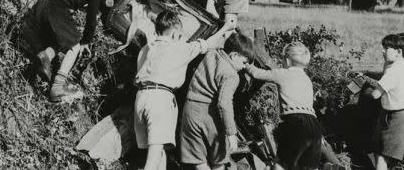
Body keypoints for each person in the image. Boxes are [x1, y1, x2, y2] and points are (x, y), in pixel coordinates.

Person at [134, 9, 232, 170]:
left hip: (141, 97)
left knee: (158, 152)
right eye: (180, 35)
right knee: (151, 162)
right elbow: (209, 44)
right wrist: (225, 28)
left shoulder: (145, 49)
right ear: (174, 34)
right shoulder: (178, 49)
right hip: (160, 100)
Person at [32, 0, 112, 103]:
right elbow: (91, 22)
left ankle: (46, 56)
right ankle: (58, 86)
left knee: (60, 39)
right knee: (74, 46)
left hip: (40, 6)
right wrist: (85, 42)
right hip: (55, 9)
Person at [180, 30, 255, 170]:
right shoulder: (232, 75)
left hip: (189, 110)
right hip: (209, 115)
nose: (245, 67)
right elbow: (224, 104)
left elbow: (217, 42)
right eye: (244, 62)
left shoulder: (211, 54)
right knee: (219, 159)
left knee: (198, 159)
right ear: (234, 56)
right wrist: (231, 133)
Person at [246, 42, 324, 170]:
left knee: (282, 163)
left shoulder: (282, 73)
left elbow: (257, 74)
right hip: (314, 125)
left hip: (295, 122)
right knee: (307, 166)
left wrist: (247, 64)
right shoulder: (307, 79)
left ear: (287, 61)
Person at [366, 33, 404, 170]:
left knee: (381, 156)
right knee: (394, 158)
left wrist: (366, 88)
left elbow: (375, 95)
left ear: (398, 52)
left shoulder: (393, 71)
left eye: (386, 48)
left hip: (394, 118)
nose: (382, 51)